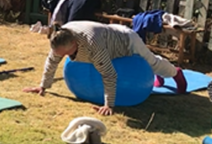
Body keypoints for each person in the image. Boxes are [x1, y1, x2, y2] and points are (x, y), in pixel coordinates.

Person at [22, 21, 187, 116]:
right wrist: (43, 86)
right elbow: (52, 61)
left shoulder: (93, 45)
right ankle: (161, 75)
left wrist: (109, 105)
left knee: (152, 63)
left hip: (126, 40)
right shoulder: (60, 37)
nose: (62, 56)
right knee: (152, 64)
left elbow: (109, 74)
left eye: (65, 53)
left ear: (74, 44)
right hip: (107, 33)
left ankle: (175, 73)